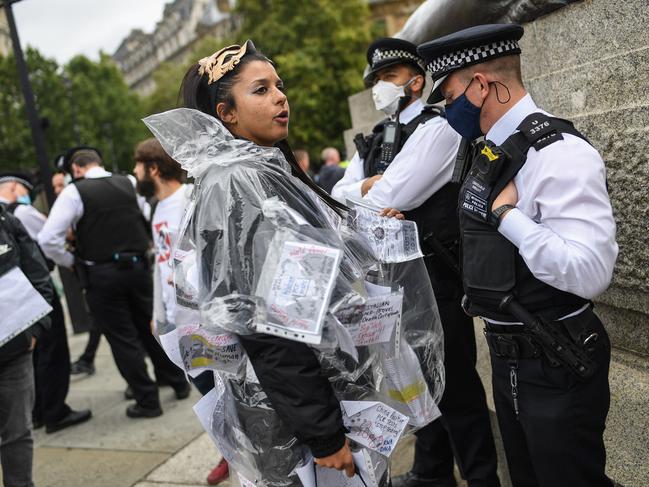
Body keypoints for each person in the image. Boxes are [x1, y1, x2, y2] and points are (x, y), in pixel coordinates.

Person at [143, 40, 445, 486]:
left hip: (318, 398)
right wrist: (323, 436)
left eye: (279, 86)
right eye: (261, 90)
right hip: (299, 418)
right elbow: (267, 326)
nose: (281, 97)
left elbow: (310, 279)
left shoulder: (257, 171)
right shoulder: (236, 184)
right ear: (226, 113)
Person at [418, 23, 618, 487]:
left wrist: (507, 215)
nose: (449, 112)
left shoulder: (558, 153)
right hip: (510, 356)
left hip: (556, 357)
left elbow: (590, 273)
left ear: (481, 86)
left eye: (450, 97)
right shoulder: (488, 152)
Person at [333, 38, 500, 487]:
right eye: (376, 81)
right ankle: (432, 471)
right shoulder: (376, 136)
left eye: (387, 78)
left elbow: (386, 196)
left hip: (434, 277)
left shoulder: (437, 126)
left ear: (416, 81)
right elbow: (338, 196)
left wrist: (370, 191)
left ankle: (482, 477)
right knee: (416, 382)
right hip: (388, 280)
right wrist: (366, 188)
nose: (380, 88)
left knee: (457, 388)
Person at [38, 147, 190, 418]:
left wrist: (71, 261)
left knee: (122, 338)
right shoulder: (129, 182)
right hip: (138, 268)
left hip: (102, 274)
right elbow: (147, 216)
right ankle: (176, 381)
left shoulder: (75, 192)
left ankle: (147, 399)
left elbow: (48, 238)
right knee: (149, 328)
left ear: (76, 170)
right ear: (99, 163)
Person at [0, 171, 93, 434]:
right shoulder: (22, 212)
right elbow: (53, 233)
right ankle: (55, 411)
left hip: (11, 296)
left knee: (33, 356)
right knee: (53, 350)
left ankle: (38, 411)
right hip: (33, 286)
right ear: (16, 187)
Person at [0, 203, 53, 487]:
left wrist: (34, 328)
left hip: (14, 350)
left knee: (17, 432)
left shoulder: (5, 220)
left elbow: (38, 273)